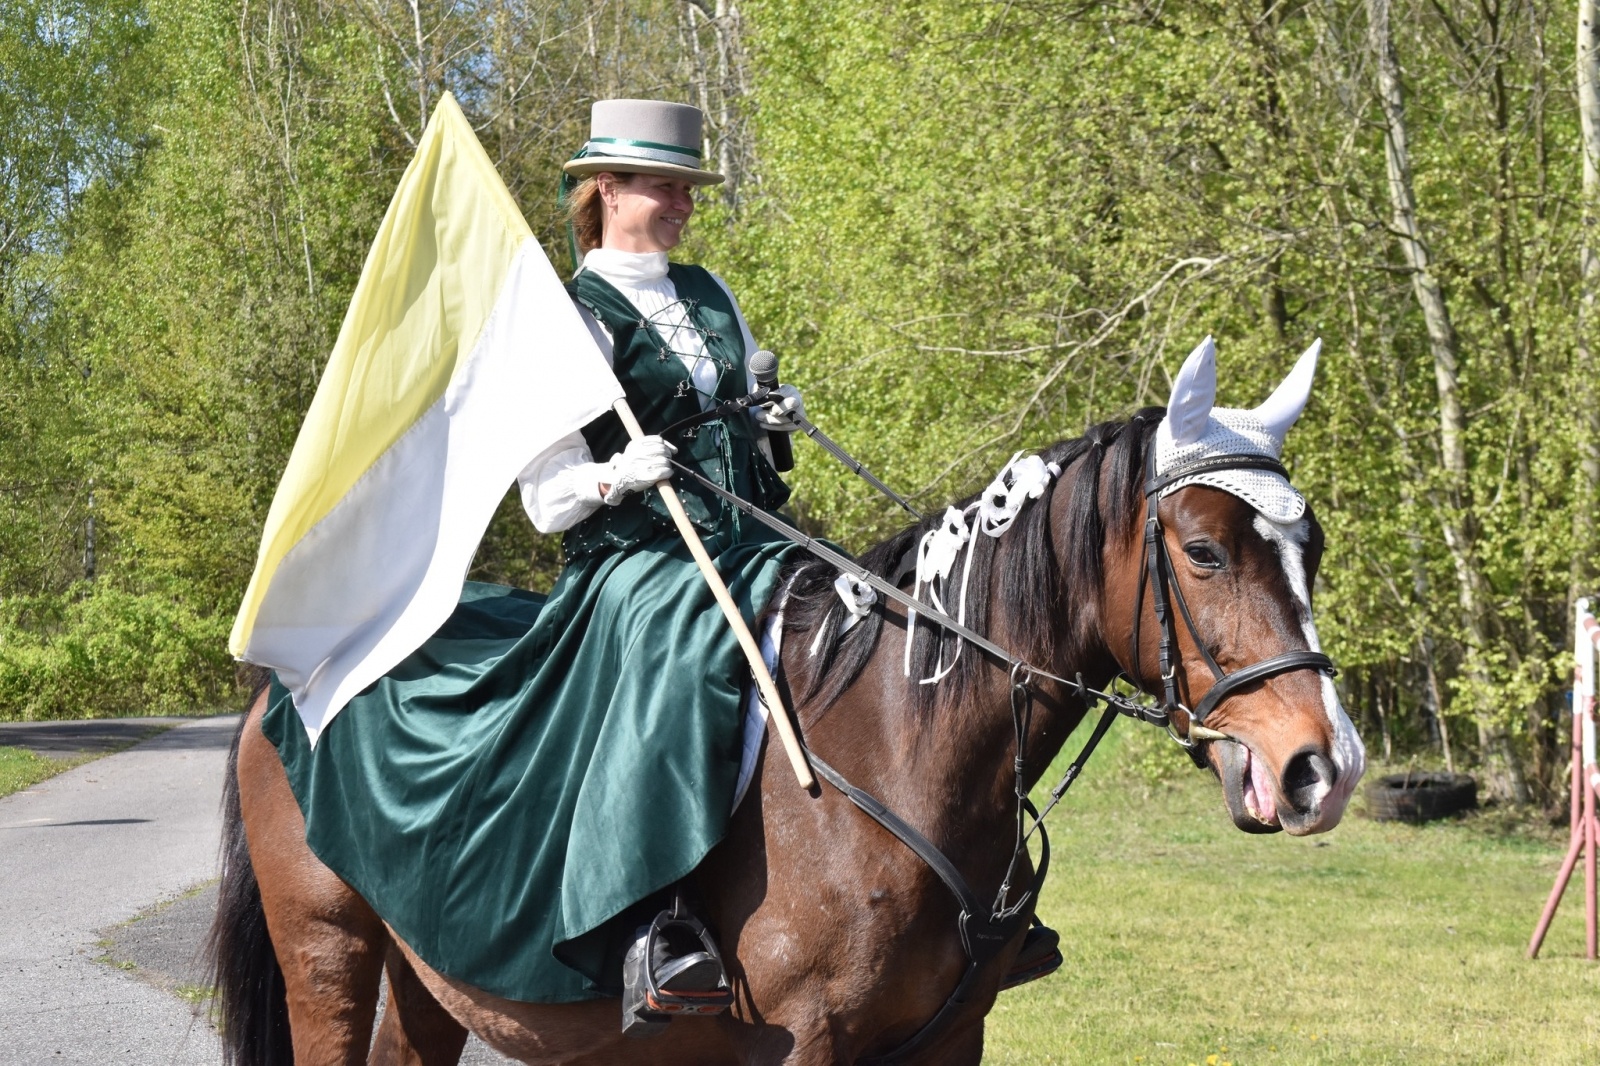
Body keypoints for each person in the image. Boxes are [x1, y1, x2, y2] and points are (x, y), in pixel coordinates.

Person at [258, 99, 804, 1034]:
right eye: (662, 186)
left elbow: (736, 422)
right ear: (605, 190)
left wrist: (768, 421)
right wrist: (618, 475)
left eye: (685, 187)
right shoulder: (566, 322)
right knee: (678, 645)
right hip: (634, 567)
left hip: (746, 545)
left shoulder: (710, 294)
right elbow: (545, 500)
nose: (680, 203)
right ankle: (658, 922)